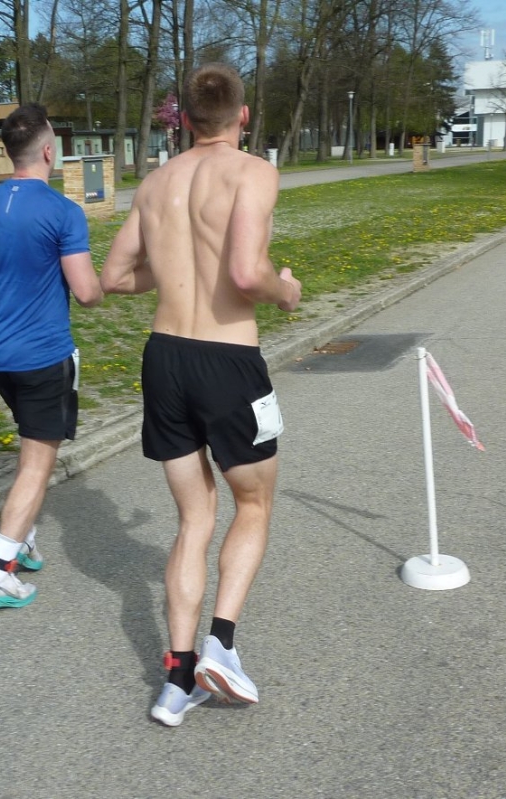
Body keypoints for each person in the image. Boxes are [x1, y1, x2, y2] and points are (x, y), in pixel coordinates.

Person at [101, 62, 302, 727]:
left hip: (164, 359)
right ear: (243, 116)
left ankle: (176, 679)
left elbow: (114, 275)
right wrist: (286, 291)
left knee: (193, 519)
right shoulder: (253, 171)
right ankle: (222, 644)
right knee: (255, 502)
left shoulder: (155, 183)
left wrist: (176, 272)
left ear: (183, 118)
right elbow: (247, 273)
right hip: (227, 360)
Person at [0, 103, 103, 610]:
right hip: (42, 357)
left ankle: (24, 539)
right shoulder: (63, 211)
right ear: (49, 150)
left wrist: (0, 287)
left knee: (31, 448)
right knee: (37, 462)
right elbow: (87, 293)